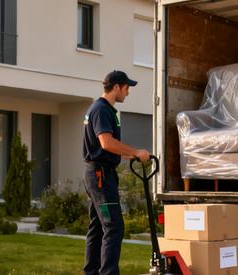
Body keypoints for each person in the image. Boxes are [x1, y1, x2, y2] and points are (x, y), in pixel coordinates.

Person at [82, 70, 151, 275]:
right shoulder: (102, 110)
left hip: (99, 173)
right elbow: (106, 142)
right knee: (114, 227)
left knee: (97, 227)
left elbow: (105, 147)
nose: (128, 92)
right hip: (100, 176)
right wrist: (135, 151)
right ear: (117, 87)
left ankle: (91, 272)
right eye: (127, 88)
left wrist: (132, 156)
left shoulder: (103, 109)